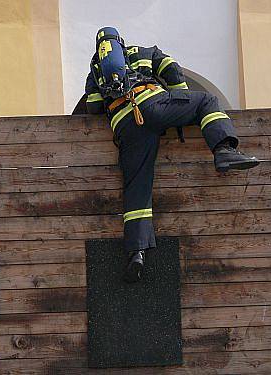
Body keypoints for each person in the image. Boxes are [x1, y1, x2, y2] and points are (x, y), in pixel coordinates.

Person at [85, 27, 259, 282]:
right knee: (206, 101)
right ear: (121, 42)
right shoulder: (145, 52)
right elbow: (172, 70)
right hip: (152, 105)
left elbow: (93, 107)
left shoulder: (96, 69)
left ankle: (137, 252)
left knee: (137, 188)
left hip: (126, 127)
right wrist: (179, 97)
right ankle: (224, 150)